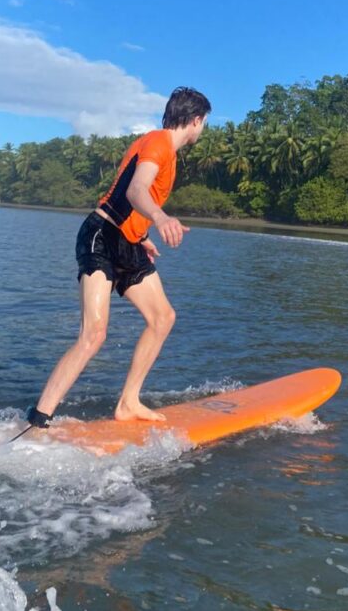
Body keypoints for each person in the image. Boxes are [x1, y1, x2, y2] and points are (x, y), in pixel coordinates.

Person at [26, 86, 211, 428]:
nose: (202, 130)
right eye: (204, 124)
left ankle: (128, 403)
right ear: (195, 120)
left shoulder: (163, 150)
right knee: (94, 334)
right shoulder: (158, 142)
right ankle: (38, 419)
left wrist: (142, 237)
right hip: (101, 236)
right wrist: (162, 219)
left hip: (127, 241)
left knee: (163, 318)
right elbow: (135, 190)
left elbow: (138, 199)